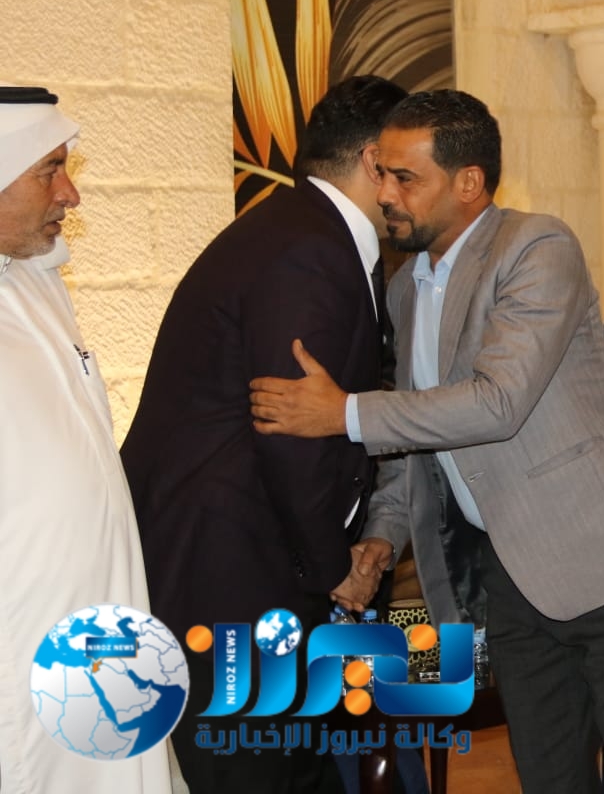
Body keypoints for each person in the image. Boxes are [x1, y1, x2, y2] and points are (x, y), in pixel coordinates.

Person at [246, 89, 604, 794]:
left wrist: (343, 414)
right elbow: (418, 443)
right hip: (509, 573)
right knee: (549, 777)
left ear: (468, 182)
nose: (385, 194)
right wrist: (380, 537)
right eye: (382, 174)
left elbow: (497, 403)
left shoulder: (537, 247)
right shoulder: (406, 288)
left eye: (405, 178)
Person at [122, 75, 407, 793]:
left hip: (249, 553)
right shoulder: (309, 248)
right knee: (257, 771)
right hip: (232, 566)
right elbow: (290, 426)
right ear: (375, 161)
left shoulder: (301, 229)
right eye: (408, 166)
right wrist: (335, 565)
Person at [0, 84, 174, 793]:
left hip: (98, 620)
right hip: (20, 639)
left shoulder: (35, 282)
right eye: (49, 170)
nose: (69, 194)